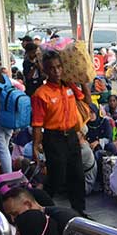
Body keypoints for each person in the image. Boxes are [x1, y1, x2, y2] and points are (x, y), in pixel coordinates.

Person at [31, 50, 89, 214]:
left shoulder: (69, 86)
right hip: (53, 138)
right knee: (57, 176)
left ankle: (79, 211)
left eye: (58, 67)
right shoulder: (41, 94)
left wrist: (82, 78)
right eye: (51, 68)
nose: (56, 71)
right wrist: (36, 146)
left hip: (71, 135)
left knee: (77, 174)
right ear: (45, 71)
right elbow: (37, 123)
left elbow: (86, 99)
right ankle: (41, 207)